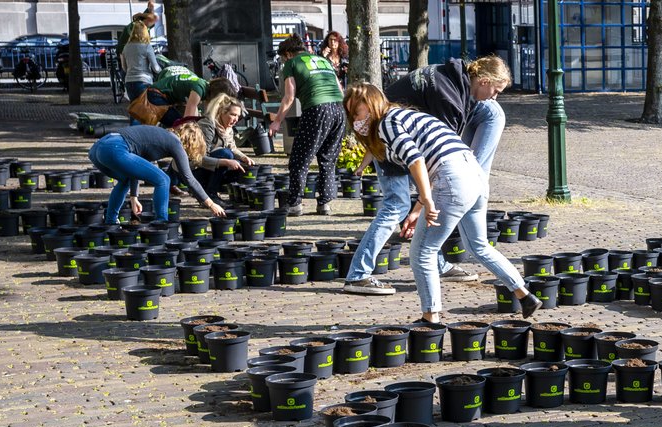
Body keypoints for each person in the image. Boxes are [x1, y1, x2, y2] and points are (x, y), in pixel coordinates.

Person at [342, 83, 541, 320]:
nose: (355, 119)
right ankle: (525, 295)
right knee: (479, 246)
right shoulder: (405, 116)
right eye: (351, 114)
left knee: (423, 253)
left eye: (357, 111)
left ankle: (431, 318)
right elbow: (438, 163)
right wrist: (418, 210)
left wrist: (426, 200)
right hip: (474, 176)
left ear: (372, 104)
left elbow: (416, 161)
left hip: (452, 179)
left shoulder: (387, 123)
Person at [340, 56, 513, 291]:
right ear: (483, 81)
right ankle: (358, 274)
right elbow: (431, 164)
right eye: (496, 90)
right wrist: (422, 205)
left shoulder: (455, 83)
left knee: (493, 112)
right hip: (388, 140)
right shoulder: (448, 97)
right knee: (397, 206)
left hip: (396, 137)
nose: (495, 96)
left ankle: (438, 264)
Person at [88, 121, 226, 225]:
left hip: (98, 149)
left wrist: (134, 197)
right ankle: (162, 222)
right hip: (115, 148)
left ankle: (111, 222)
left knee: (124, 180)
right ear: (192, 142)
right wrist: (211, 204)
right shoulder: (175, 143)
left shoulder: (161, 136)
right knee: (163, 179)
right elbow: (189, 178)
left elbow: (134, 170)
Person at [268, 36, 345, 216]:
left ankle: (295, 204)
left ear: (287, 54)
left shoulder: (291, 63)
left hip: (317, 109)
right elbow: (340, 89)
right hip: (339, 109)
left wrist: (277, 120)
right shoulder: (323, 61)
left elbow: (289, 97)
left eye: (282, 58)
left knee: (299, 159)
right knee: (327, 158)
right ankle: (325, 203)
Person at [196, 94, 255, 203]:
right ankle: (210, 193)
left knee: (239, 166)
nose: (236, 119)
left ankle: (217, 188)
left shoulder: (228, 128)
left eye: (238, 116)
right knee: (227, 155)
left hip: (211, 164)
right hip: (194, 169)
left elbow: (232, 147)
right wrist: (225, 162)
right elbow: (198, 158)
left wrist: (244, 157)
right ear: (221, 112)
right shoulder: (207, 125)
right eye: (233, 115)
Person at [148, 65, 235, 127]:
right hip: (156, 95)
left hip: (157, 94)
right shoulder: (199, 89)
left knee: (178, 122)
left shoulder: (203, 85)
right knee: (178, 124)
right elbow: (187, 119)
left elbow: (198, 113)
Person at [120, 20, 160, 122]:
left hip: (129, 82)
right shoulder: (146, 47)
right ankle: (145, 135)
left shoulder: (126, 47)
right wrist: (162, 70)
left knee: (134, 111)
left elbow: (124, 67)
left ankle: (132, 134)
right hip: (143, 81)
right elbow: (156, 68)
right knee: (145, 112)